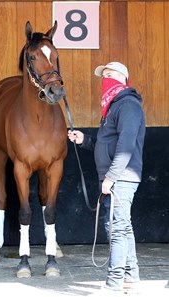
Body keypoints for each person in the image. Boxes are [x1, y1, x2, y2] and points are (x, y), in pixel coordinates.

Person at [68, 62, 146, 292]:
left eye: (110, 75)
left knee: (116, 228)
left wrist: (110, 178)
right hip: (116, 177)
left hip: (121, 177)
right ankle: (131, 278)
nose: (105, 80)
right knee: (123, 227)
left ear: (122, 78)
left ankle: (113, 284)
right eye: (104, 77)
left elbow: (125, 146)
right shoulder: (113, 108)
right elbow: (107, 144)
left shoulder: (128, 105)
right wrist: (85, 140)